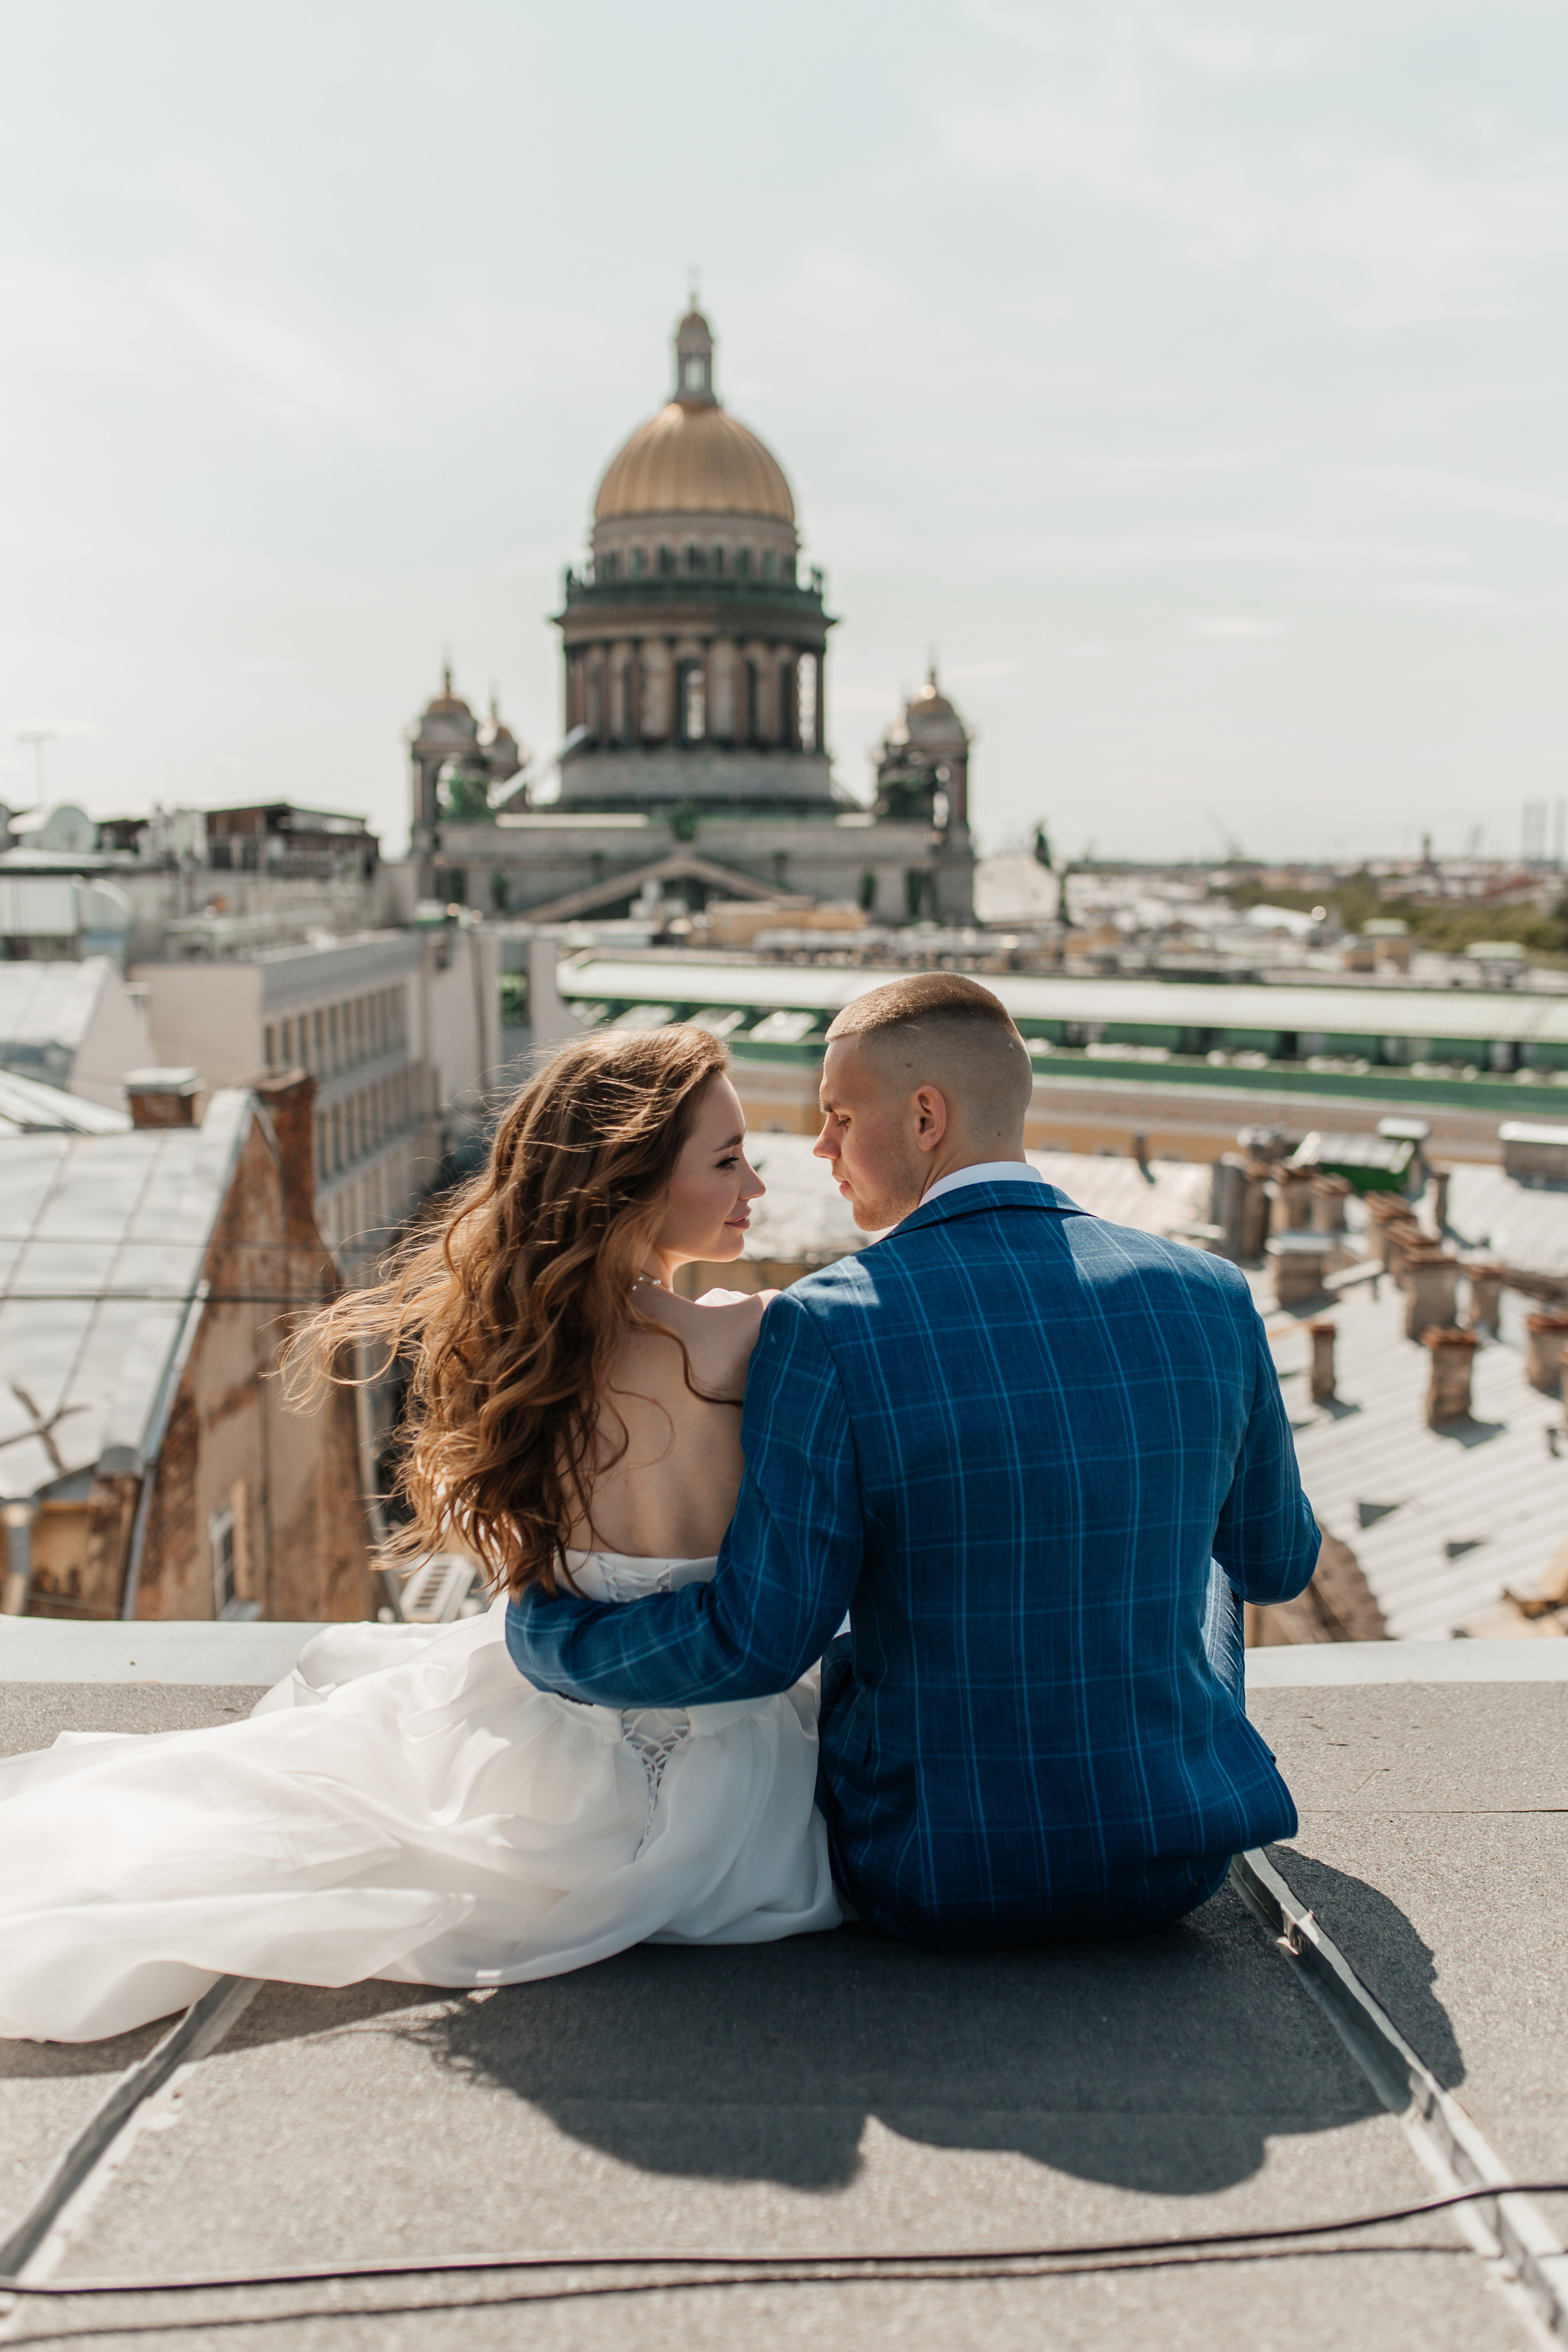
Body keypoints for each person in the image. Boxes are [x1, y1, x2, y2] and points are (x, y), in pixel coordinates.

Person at [0, 1029, 839, 2045]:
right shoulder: (748, 1336)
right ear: (631, 1180)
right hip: (730, 1759)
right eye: (728, 1160)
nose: (756, 1184)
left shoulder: (528, 1338)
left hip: (546, 1735)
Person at [507, 973, 1321, 1950]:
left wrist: (548, 1642)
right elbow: (1279, 1564)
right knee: (1199, 1566)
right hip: (1174, 1867)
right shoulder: (1213, 1292)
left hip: (928, 1866)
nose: (820, 1148)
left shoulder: (829, 1320)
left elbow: (758, 1644)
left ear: (927, 1117)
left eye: (841, 1116)